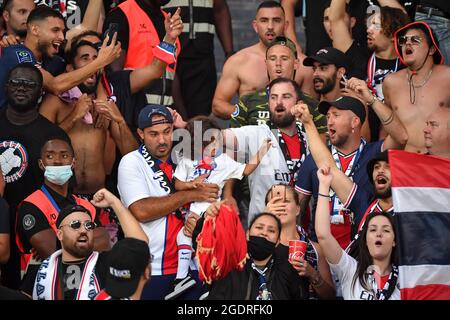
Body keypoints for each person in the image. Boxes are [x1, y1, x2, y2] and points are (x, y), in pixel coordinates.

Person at [117, 104, 220, 300]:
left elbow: (220, 140)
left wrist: (186, 125)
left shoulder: (187, 158)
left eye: (167, 131)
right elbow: (142, 210)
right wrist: (190, 195)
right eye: (153, 134)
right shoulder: (132, 162)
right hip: (152, 269)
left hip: (191, 266)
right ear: (140, 133)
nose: (162, 140)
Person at [167, 116, 271, 299]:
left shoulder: (224, 161)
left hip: (212, 213)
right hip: (192, 212)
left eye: (217, 141)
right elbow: (177, 184)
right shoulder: (187, 161)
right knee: (184, 238)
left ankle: (208, 282)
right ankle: (183, 278)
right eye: (210, 142)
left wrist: (261, 152)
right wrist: (192, 184)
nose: (215, 147)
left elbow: (245, 170)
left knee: (210, 247)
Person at [292, 93, 407, 250]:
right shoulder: (315, 158)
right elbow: (298, 207)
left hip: (361, 251)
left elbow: (401, 137)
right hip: (321, 252)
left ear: (355, 122)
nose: (329, 121)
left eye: (336, 115)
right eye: (328, 116)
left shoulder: (376, 156)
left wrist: (372, 100)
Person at [0, 63, 69, 288]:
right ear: (6, 87)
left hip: (35, 230)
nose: (21, 88)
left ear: (41, 91)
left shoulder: (53, 135)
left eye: (29, 84)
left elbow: (63, 187)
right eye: (16, 83)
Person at [21, 187, 149, 300]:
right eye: (75, 225)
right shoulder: (39, 269)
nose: (83, 230)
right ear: (60, 234)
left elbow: (139, 246)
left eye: (89, 225)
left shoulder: (106, 262)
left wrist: (114, 203)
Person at [16, 137, 110, 279]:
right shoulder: (31, 205)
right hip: (42, 281)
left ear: (73, 162)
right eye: (50, 156)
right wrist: (85, 240)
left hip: (83, 280)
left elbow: (103, 240)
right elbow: (51, 251)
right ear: (41, 164)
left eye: (64, 155)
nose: (57, 161)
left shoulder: (85, 205)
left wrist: (62, 241)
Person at [225, 77, 310, 225]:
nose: (279, 102)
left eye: (286, 96)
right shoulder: (257, 134)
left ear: (299, 103)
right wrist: (187, 126)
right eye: (274, 97)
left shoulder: (310, 140)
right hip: (263, 234)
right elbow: (214, 136)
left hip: (301, 234)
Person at [0, 5, 121, 107]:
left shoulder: (54, 61)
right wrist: (100, 61)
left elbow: (79, 74)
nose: (62, 37)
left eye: (62, 32)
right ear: (35, 30)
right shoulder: (16, 53)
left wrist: (100, 95)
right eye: (55, 30)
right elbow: (55, 85)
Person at [212, 1, 315, 120]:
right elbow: (218, 105)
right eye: (264, 20)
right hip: (249, 133)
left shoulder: (303, 64)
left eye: (276, 20)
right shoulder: (238, 61)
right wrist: (250, 114)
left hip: (290, 134)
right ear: (255, 26)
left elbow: (311, 110)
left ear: (286, 25)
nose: (270, 26)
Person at [315, 164, 399, 300]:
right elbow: (323, 235)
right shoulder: (350, 270)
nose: (379, 233)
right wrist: (324, 186)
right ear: (365, 239)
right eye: (372, 229)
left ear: (395, 240)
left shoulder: (407, 280)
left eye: (386, 230)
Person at [207, 211, 306, 299]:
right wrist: (208, 216)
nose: (264, 233)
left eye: (271, 231)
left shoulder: (287, 270)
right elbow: (206, 244)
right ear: (247, 234)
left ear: (278, 242)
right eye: (259, 227)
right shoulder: (228, 262)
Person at [385, 20, 450, 153]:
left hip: (438, 161)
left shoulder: (447, 76)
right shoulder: (391, 82)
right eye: (403, 40)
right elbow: (385, 127)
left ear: (432, 49)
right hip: (404, 161)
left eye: (415, 40)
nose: (407, 43)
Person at [103, 0, 182, 108]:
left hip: (164, 113)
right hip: (133, 113)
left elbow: (171, 73)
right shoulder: (121, 14)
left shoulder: (169, 21)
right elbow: (114, 78)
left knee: (199, 124)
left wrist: (183, 116)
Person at [163, 0, 234, 117]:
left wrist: (229, 53)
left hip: (202, 54)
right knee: (172, 110)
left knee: (200, 113)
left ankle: (195, 133)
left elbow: (220, 10)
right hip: (169, 50)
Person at [264, 184, 335, 299]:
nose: (280, 206)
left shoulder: (315, 249)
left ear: (297, 209)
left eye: (286, 201)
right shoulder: (259, 245)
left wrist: (313, 275)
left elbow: (330, 296)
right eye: (275, 202)